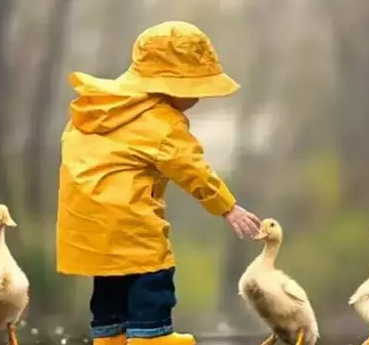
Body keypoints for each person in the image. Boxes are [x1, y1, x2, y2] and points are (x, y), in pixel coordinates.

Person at [56, 21, 261, 345]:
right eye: (196, 91)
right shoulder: (160, 122)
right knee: (152, 274)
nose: (199, 99)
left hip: (86, 225)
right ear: (172, 86)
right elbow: (192, 168)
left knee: (110, 283)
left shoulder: (95, 107)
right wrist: (227, 207)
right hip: (130, 222)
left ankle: (111, 336)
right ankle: (152, 336)